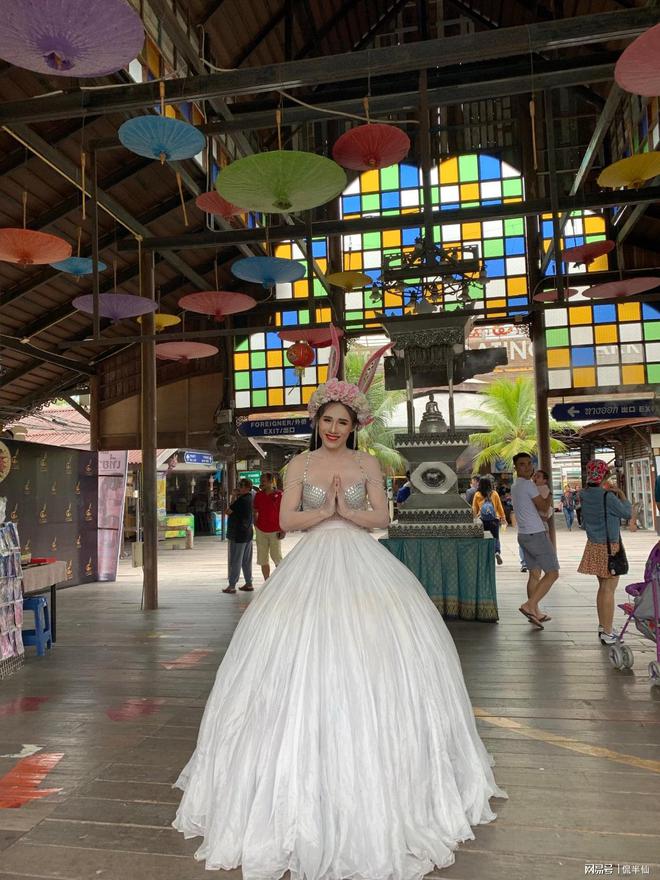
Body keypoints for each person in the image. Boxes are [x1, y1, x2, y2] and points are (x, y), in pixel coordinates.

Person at [173, 343, 506, 879]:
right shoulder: (299, 464)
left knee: (372, 657)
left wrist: (346, 511)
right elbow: (285, 522)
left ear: (355, 426)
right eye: (327, 420)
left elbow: (382, 517)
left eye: (342, 422)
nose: (333, 428)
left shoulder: (367, 462)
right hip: (310, 564)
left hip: (361, 561)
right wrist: (325, 509)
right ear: (317, 421)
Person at [578, 459, 632, 646]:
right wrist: (622, 495)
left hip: (594, 544)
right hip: (609, 546)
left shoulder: (584, 494)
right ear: (605, 475)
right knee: (609, 589)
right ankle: (608, 632)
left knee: (602, 588)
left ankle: (604, 626)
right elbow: (627, 513)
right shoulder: (607, 496)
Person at [510, 452, 558, 629]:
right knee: (552, 573)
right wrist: (549, 493)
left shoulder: (515, 485)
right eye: (522, 464)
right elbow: (544, 507)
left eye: (529, 463)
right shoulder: (529, 485)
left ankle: (535, 613)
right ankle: (529, 605)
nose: (528, 467)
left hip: (523, 535)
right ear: (515, 467)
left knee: (534, 574)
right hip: (536, 533)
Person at [222, 478, 254, 594]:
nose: (239, 488)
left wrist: (233, 496)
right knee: (246, 560)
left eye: (241, 486)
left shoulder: (241, 500)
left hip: (238, 533)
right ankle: (249, 583)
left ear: (246, 488)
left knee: (236, 560)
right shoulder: (251, 498)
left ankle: (232, 585)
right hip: (248, 532)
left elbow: (228, 511)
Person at [253, 472, 285, 580]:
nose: (261, 483)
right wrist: (255, 523)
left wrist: (283, 529)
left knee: (277, 557)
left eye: (264, 481)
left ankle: (280, 581)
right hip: (261, 530)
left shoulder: (280, 495)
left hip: (275, 530)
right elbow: (255, 510)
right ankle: (267, 582)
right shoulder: (259, 495)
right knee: (263, 559)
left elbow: (283, 513)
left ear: (271, 481)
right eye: (261, 481)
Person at [472, 476, 505, 565]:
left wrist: (474, 519)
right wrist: (503, 518)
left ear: (480, 484)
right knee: (495, 537)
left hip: (482, 519)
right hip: (494, 519)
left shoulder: (477, 494)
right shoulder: (494, 493)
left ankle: (485, 555)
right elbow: (499, 507)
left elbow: (474, 508)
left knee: (484, 538)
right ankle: (496, 552)